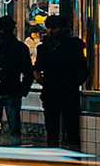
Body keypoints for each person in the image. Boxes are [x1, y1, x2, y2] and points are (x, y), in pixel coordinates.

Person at [0, 15, 33, 146]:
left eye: (0, 29)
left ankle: (11, 149)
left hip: (9, 91)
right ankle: (0, 150)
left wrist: (22, 90)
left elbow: (28, 72)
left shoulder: (18, 48)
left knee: (12, 128)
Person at [37, 12, 87, 150]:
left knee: (71, 128)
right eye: (48, 28)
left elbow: (82, 70)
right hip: (51, 91)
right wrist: (36, 72)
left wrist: (72, 83)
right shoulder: (44, 47)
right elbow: (39, 65)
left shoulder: (73, 46)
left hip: (67, 91)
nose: (50, 31)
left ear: (62, 28)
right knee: (51, 129)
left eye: (53, 28)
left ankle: (71, 153)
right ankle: (54, 153)